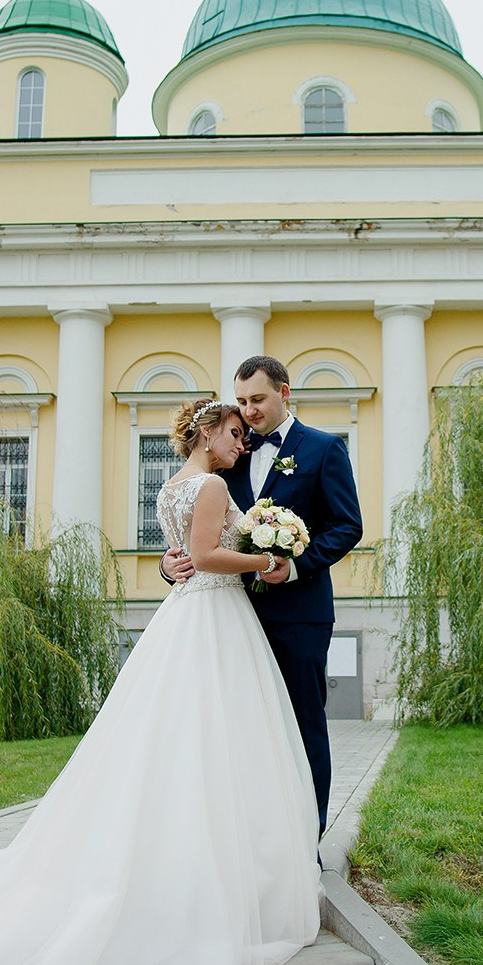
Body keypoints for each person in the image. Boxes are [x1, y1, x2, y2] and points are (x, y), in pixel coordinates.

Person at [0, 398, 319, 965]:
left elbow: (179, 556)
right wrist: (269, 561)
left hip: (183, 617)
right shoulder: (207, 485)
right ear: (206, 431)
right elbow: (203, 555)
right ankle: (213, 879)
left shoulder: (171, 487)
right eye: (234, 432)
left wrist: (221, 550)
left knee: (172, 744)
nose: (242, 442)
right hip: (215, 617)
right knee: (213, 743)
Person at [162, 356, 363, 838]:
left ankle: (305, 841)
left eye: (257, 400)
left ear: (284, 393)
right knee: (237, 731)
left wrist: (295, 566)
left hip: (300, 615)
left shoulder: (322, 449)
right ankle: (248, 840)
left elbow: (347, 525)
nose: (248, 411)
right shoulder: (228, 452)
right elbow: (200, 535)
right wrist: (169, 568)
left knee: (301, 726)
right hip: (230, 615)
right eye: (243, 402)